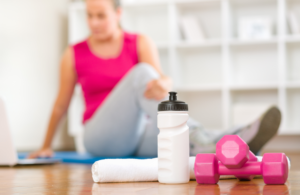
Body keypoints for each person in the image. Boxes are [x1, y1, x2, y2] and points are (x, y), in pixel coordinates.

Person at [28, 0, 281, 158]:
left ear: (118, 13)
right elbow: (61, 104)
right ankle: (199, 135)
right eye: (89, 15)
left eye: (101, 15)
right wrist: (46, 145)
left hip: (139, 133)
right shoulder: (73, 53)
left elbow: (159, 84)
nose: (94, 22)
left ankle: (235, 139)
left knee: (180, 140)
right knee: (141, 74)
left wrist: (165, 83)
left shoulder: (139, 42)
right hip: (100, 136)